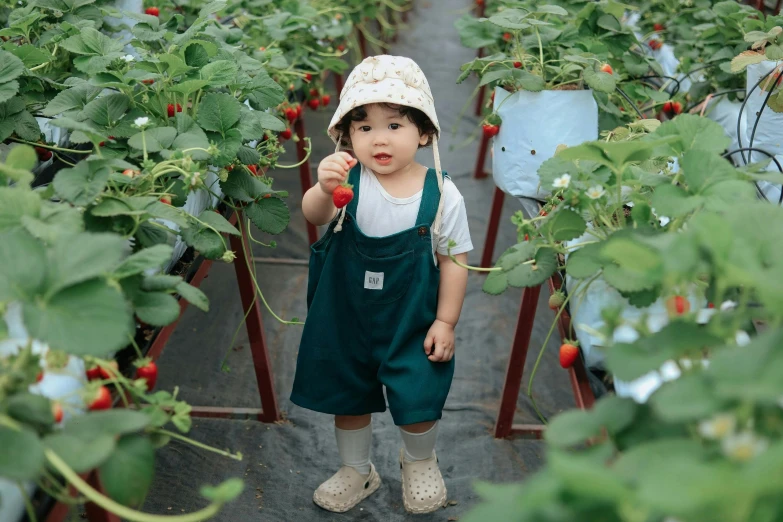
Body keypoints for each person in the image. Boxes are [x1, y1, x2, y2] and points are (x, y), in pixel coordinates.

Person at [290, 55, 473, 515]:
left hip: (411, 319)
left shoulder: (441, 193)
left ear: (424, 132)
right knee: (347, 394)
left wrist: (446, 321)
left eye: (394, 125)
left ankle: (419, 461)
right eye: (364, 128)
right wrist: (320, 188)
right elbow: (315, 217)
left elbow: (454, 260)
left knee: (419, 394)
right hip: (345, 316)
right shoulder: (348, 182)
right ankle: (357, 469)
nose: (379, 139)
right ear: (347, 136)